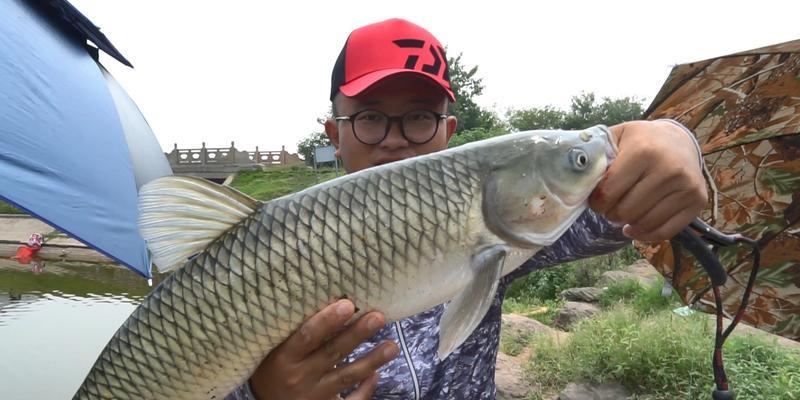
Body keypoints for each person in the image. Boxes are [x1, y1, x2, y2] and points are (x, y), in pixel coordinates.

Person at [227, 18, 707, 400]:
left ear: (448, 130)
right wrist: (259, 394)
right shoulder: (266, 249)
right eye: (371, 117)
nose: (395, 139)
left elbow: (624, 218)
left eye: (419, 116)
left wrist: (672, 138)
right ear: (335, 135)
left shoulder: (500, 223)